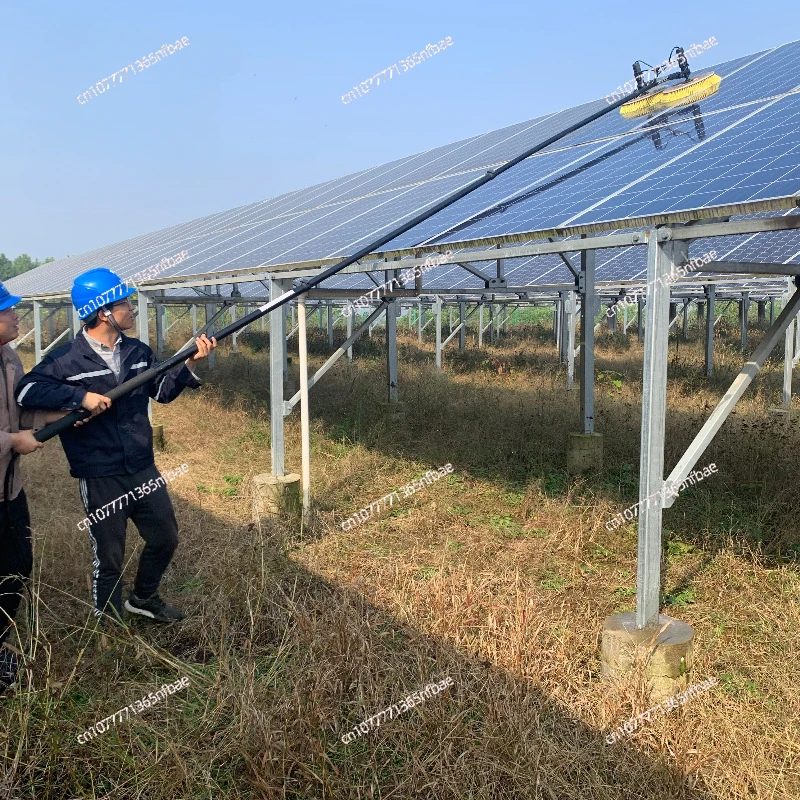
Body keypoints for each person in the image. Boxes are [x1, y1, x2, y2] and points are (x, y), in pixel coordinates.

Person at [16, 268, 216, 625]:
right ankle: (107, 621)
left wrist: (188, 363)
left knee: (165, 538)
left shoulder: (138, 352)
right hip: (99, 472)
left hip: (142, 466)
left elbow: (162, 392)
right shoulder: (65, 360)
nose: (131, 308)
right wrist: (81, 396)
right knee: (109, 554)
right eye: (124, 302)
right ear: (104, 311)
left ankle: (143, 598)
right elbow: (27, 391)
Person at [0, 282, 48, 689]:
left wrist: (62, 412)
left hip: (9, 491)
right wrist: (10, 442)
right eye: (8, 310)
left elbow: (23, 408)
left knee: (16, 568)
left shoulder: (10, 357)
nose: (17, 315)